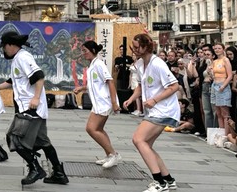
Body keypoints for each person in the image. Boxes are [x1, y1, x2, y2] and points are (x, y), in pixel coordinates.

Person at [0, 31, 68, 186]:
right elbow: (14, 80)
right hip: (32, 108)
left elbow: (39, 76)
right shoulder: (17, 59)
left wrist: (35, 98)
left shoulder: (23, 57)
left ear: (11, 45)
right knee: (42, 142)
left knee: (14, 138)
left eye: (4, 46)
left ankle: (35, 168)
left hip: (30, 108)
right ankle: (59, 173)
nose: (3, 50)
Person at [123, 33, 180, 192]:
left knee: (138, 139)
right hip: (156, 110)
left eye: (136, 47)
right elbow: (141, 86)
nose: (134, 50)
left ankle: (159, 183)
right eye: (133, 47)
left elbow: (174, 86)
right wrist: (131, 98)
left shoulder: (158, 64)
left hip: (163, 109)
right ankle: (168, 180)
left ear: (146, 46)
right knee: (146, 144)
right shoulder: (141, 64)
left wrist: (154, 100)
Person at [74, 41, 121, 168]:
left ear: (93, 50)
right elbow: (95, 84)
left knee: (91, 128)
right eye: (82, 51)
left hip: (104, 102)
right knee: (98, 129)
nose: (83, 54)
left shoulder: (99, 64)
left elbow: (110, 82)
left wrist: (114, 103)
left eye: (85, 51)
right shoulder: (92, 66)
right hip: (98, 103)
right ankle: (109, 155)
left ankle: (113, 154)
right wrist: (82, 88)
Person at [211, 43, 233, 136]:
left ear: (223, 49)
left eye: (219, 48)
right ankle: (221, 132)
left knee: (225, 112)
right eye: (215, 48)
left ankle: (226, 134)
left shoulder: (225, 60)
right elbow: (213, 75)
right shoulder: (215, 61)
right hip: (215, 84)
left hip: (223, 85)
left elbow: (230, 75)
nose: (217, 50)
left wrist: (223, 86)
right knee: (218, 112)